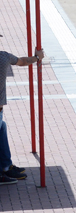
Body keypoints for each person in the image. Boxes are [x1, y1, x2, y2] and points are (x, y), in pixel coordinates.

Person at [0, 43, 45, 185]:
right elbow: (23, 61)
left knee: (3, 128)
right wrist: (37, 58)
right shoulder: (3, 57)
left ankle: (6, 166)